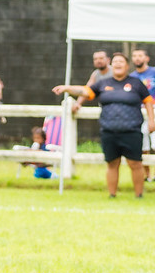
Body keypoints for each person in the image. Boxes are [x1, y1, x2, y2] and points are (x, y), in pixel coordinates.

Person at [54, 53, 155, 198]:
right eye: (115, 62)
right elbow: (84, 91)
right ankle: (112, 195)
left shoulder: (136, 83)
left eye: (121, 62)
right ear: (111, 65)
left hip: (132, 130)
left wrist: (151, 121)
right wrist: (67, 88)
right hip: (109, 130)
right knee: (112, 164)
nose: (118, 64)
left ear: (127, 66)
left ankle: (139, 195)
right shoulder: (103, 83)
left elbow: (148, 102)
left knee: (136, 164)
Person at [130, 48, 155, 181]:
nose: (137, 58)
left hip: (154, 109)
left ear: (147, 58)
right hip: (138, 111)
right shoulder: (132, 77)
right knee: (142, 145)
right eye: (134, 56)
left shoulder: (153, 72)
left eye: (140, 55)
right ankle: (148, 175)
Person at [72, 50, 112, 115]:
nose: (98, 61)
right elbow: (87, 90)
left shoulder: (115, 72)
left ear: (108, 60)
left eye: (101, 58)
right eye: (95, 59)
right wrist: (78, 103)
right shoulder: (95, 74)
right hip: (104, 109)